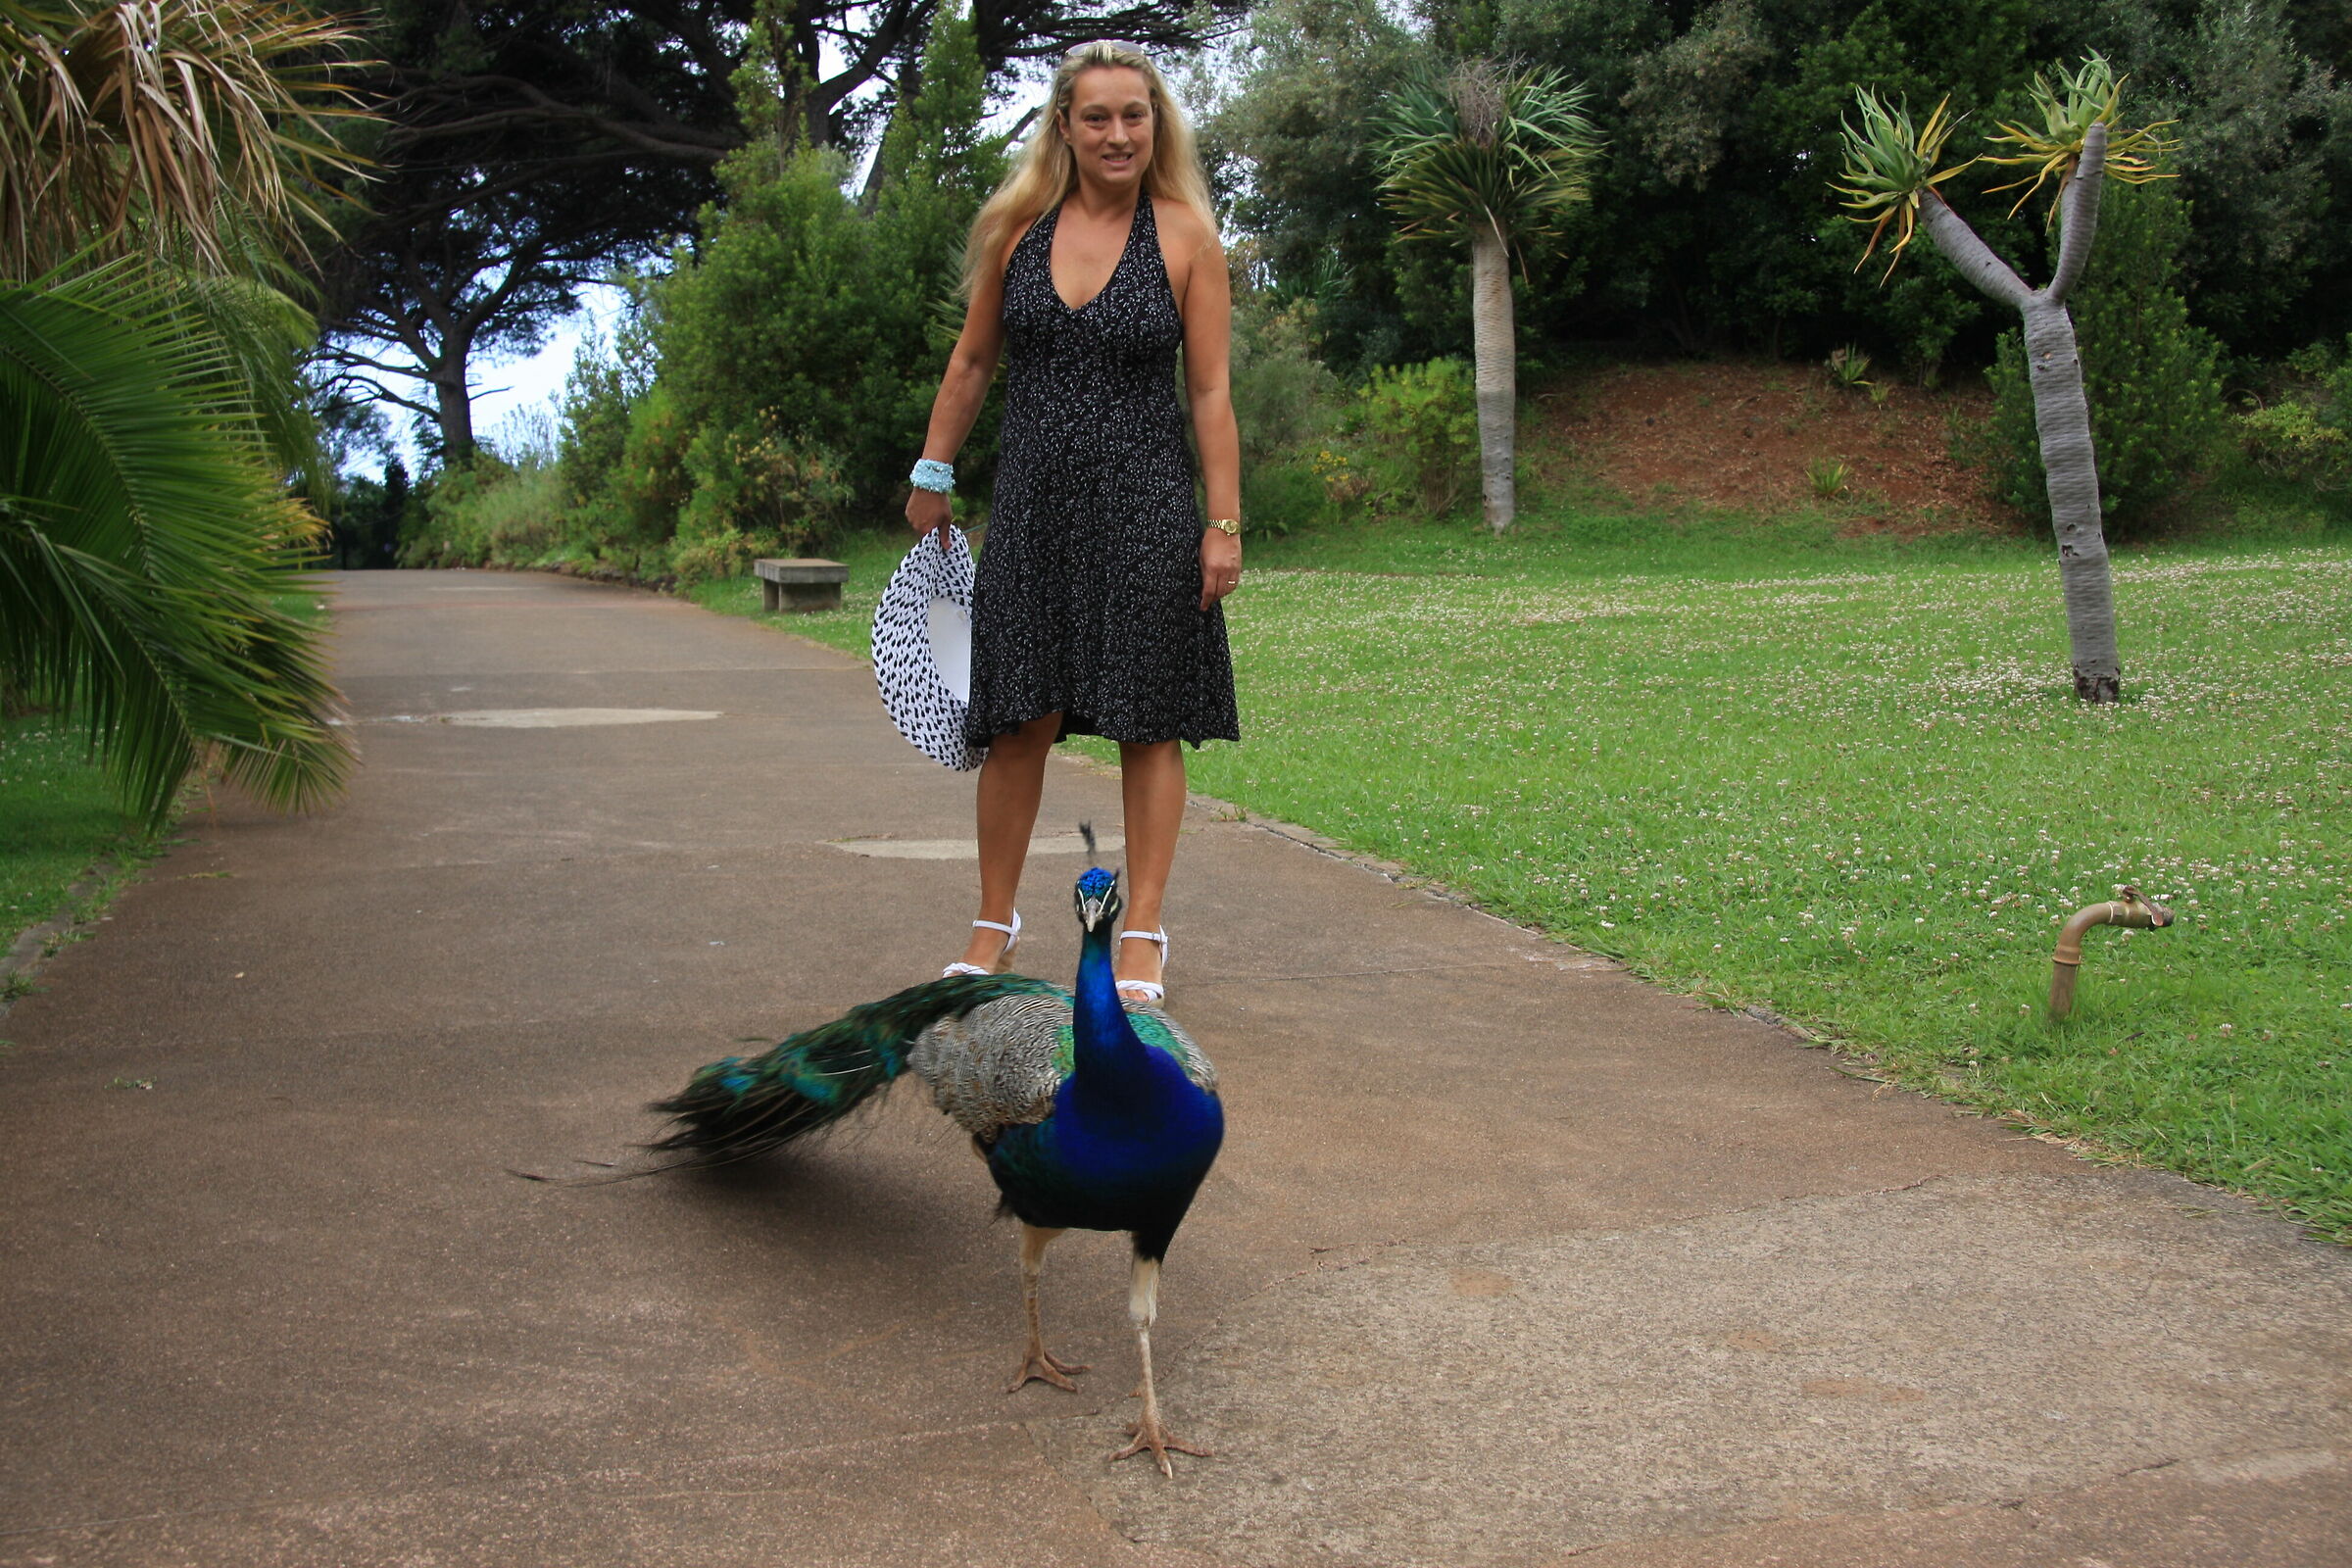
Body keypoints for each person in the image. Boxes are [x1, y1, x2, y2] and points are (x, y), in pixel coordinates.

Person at [905, 41, 1241, 1005]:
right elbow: (973, 363)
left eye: (1135, 115)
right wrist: (932, 470)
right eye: (1097, 117)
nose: (1118, 134)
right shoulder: (1018, 233)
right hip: (1033, 514)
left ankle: (1143, 931)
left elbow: (1210, 393)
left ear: (1156, 124)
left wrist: (1223, 523)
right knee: (1018, 719)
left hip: (1148, 512)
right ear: (1064, 126)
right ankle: (993, 923)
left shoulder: (1186, 237)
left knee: (1149, 723)